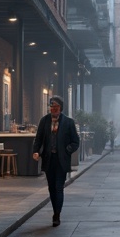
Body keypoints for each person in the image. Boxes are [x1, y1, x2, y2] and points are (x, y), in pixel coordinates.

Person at [31, 96, 79, 226]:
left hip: (61, 161)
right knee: (51, 188)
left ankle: (57, 214)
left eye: (56, 107)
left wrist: (67, 150)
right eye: (52, 107)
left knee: (59, 188)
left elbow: (75, 141)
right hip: (49, 160)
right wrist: (36, 151)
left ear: (61, 108)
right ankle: (55, 209)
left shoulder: (68, 122)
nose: (53, 109)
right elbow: (38, 138)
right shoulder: (44, 121)